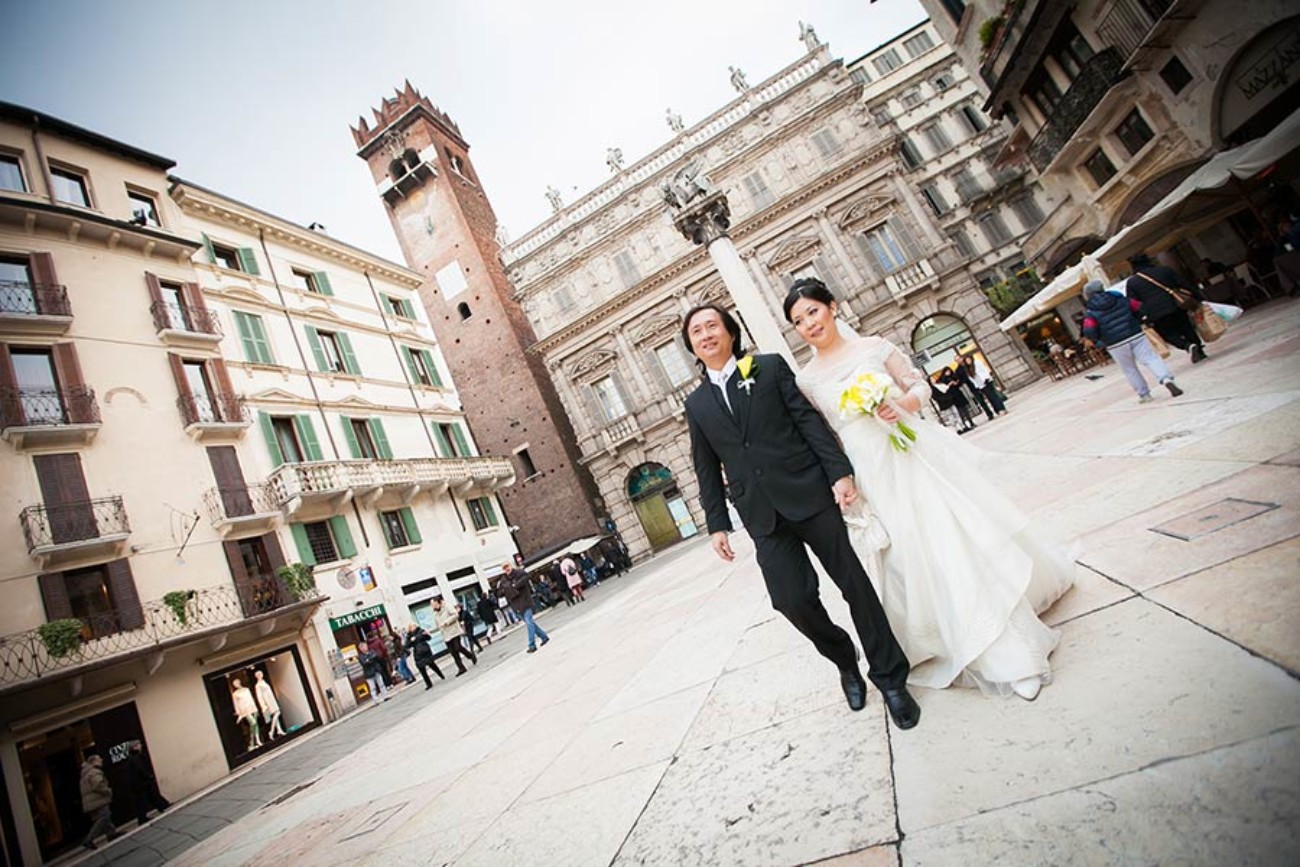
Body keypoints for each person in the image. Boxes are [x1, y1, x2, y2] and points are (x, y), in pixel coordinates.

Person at [783, 279, 1075, 701]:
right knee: (909, 555)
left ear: (832, 306)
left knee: (950, 538)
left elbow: (919, 384)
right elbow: (825, 436)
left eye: (812, 311)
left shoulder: (874, 348)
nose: (808, 324)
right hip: (869, 472)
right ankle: (945, 633)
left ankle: (1008, 649)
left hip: (910, 453)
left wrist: (902, 406)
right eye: (798, 321)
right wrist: (843, 481)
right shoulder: (806, 380)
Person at [681, 303, 920, 728]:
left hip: (809, 493)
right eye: (696, 331)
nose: (705, 334)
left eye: (712, 325)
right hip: (761, 515)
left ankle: (891, 679)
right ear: (692, 346)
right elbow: (706, 466)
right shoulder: (696, 403)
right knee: (790, 600)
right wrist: (717, 522)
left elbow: (809, 423)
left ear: (730, 333)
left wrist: (839, 472)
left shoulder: (768, 368)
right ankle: (844, 658)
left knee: (855, 585)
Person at [1080, 279, 1185, 403]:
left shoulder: (1091, 311)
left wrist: (1099, 341)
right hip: (1135, 334)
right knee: (1151, 358)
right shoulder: (1119, 298)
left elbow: (1089, 330)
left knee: (1129, 369)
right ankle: (1166, 379)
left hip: (1115, 344)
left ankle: (1144, 395)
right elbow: (1139, 307)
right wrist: (1139, 321)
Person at [1126, 253, 1206, 363]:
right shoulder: (1164, 270)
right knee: (1187, 327)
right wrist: (1198, 296)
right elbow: (1182, 283)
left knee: (1168, 334)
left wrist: (1141, 318)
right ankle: (1199, 351)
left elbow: (1133, 303)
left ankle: (1187, 345)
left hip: (1155, 313)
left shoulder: (1132, 282)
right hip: (1175, 305)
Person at [501, 561, 550, 653]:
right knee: (530, 623)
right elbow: (500, 592)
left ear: (511, 566)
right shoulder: (504, 580)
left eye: (507, 566)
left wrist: (515, 585)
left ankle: (532, 645)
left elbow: (526, 577)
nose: (506, 569)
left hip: (525, 602)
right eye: (504, 568)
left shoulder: (519, 573)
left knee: (529, 622)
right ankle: (544, 637)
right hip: (516, 605)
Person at [125, 741, 169, 826]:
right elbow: (140, 768)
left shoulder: (132, 758)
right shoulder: (136, 757)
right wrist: (148, 775)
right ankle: (144, 817)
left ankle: (162, 805)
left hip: (139, 783)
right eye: (138, 745)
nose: (141, 746)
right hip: (141, 782)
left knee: (150, 795)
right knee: (145, 798)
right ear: (134, 747)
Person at [79, 754, 118, 850]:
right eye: (99, 759)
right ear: (94, 762)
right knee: (104, 818)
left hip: (92, 801)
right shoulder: (94, 772)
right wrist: (108, 791)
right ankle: (88, 839)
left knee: (105, 817)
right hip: (98, 799)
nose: (102, 760)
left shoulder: (86, 773)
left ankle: (111, 833)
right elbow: (97, 785)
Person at [432, 597, 476, 676]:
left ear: (437, 602)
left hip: (454, 631)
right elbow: (438, 626)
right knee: (453, 652)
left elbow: (456, 615)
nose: (432, 606)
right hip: (446, 635)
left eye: (432, 604)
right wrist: (430, 631)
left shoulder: (447, 607)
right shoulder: (435, 614)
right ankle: (461, 668)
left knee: (458, 647)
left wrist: (446, 622)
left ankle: (470, 655)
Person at [405, 623, 445, 689]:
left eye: (414, 626)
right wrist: (411, 641)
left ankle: (441, 675)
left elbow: (428, 638)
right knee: (422, 669)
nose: (413, 627)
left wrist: (424, 635)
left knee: (432, 664)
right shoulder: (409, 636)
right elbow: (406, 645)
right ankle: (428, 684)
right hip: (417, 653)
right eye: (411, 627)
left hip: (425, 650)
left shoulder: (420, 631)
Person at [231, 678, 263, 749]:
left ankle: (256, 740)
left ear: (239, 682)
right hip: (244, 711)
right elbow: (236, 704)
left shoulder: (246, 690)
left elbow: (251, 699)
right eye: (234, 684)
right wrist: (239, 713)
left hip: (251, 708)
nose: (236, 685)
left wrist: (256, 708)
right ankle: (252, 741)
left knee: (255, 724)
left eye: (237, 683)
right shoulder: (235, 694)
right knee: (253, 723)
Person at [254, 670, 286, 737]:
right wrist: (263, 705)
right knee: (277, 712)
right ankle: (271, 731)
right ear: (256, 676)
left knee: (275, 714)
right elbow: (259, 696)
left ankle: (279, 729)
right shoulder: (258, 685)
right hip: (268, 701)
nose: (260, 675)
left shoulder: (263, 682)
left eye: (261, 674)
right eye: (259, 675)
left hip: (271, 699)